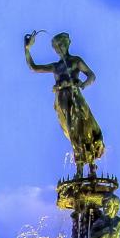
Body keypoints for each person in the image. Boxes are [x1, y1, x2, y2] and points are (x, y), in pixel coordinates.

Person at [24, 31, 105, 177]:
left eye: (60, 45)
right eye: (56, 47)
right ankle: (80, 168)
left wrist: (83, 84)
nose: (58, 49)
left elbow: (91, 75)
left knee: (84, 129)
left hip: (75, 98)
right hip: (62, 101)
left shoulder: (75, 61)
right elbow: (34, 68)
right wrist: (27, 49)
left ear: (66, 45)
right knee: (73, 133)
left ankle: (91, 167)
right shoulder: (56, 66)